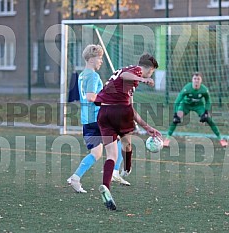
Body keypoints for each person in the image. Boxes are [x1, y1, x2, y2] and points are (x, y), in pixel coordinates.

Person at [95, 53, 162, 210]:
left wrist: (147, 127)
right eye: (151, 72)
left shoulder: (127, 79)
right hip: (119, 112)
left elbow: (130, 107)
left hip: (104, 113)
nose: (150, 75)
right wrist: (143, 79)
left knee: (111, 155)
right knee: (127, 144)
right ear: (150, 68)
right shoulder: (136, 71)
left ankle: (106, 186)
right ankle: (127, 168)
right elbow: (127, 75)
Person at [67, 44, 130, 194]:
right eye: (99, 58)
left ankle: (75, 178)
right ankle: (114, 173)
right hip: (99, 119)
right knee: (120, 143)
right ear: (91, 59)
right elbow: (90, 97)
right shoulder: (93, 76)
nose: (101, 61)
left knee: (96, 154)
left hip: (87, 120)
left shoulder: (82, 75)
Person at [163, 72, 228, 147]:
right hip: (185, 105)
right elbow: (178, 100)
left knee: (209, 119)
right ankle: (167, 139)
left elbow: (208, 101)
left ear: (201, 80)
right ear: (192, 80)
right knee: (176, 119)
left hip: (198, 106)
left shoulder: (204, 90)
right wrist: (175, 113)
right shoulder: (187, 88)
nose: (196, 80)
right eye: (195, 79)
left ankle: (221, 139)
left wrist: (206, 112)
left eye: (198, 79)